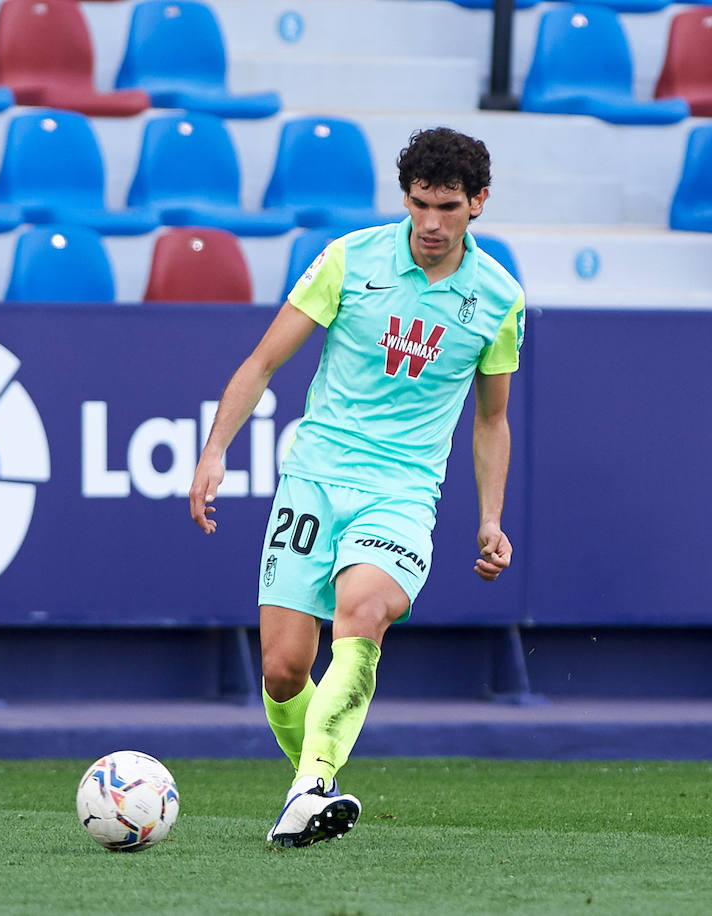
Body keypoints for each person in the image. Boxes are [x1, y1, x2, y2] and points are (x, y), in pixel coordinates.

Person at [189, 128, 524, 847]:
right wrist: (215, 449)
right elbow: (262, 361)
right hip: (314, 478)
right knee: (282, 671)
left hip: (401, 492)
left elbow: (492, 420)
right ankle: (314, 787)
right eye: (418, 204)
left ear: (479, 204)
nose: (430, 224)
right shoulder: (350, 259)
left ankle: (308, 786)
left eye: (448, 207)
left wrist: (490, 518)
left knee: (360, 614)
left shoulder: (499, 298)